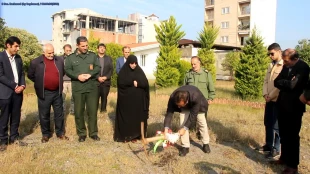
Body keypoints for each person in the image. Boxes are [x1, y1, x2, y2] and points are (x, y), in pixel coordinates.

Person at [273, 48, 309, 174]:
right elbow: (276, 82)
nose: (284, 62)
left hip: (295, 107)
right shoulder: (286, 66)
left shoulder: (303, 67)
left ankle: (293, 166)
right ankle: (284, 158)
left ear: (294, 58)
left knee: (292, 137)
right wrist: (287, 82)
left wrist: (287, 83)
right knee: (283, 134)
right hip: (282, 105)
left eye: (286, 60)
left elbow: (294, 86)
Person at [27, 43, 69, 143]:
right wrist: (40, 82)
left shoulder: (59, 60)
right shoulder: (36, 62)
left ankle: (60, 133)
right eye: (49, 53)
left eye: (53, 52)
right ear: (43, 52)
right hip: (44, 93)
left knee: (59, 114)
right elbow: (30, 75)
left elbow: (62, 72)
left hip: (57, 92)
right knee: (44, 115)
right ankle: (45, 134)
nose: (51, 55)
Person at [64, 36, 101, 142]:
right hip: (78, 88)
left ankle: (93, 133)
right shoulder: (70, 58)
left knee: (92, 111)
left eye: (86, 45)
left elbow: (98, 67)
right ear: (77, 46)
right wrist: (77, 76)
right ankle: (82, 133)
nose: (85, 47)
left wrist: (90, 74)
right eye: (83, 46)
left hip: (91, 88)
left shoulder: (93, 56)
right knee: (79, 112)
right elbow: (67, 70)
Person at [164, 85, 210, 157]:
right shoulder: (173, 97)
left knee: (202, 122)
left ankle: (206, 143)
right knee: (182, 122)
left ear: (186, 101)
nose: (178, 107)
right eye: (177, 105)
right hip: (186, 106)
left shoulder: (195, 96)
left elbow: (193, 116)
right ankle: (185, 146)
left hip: (199, 106)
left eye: (180, 105)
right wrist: (166, 128)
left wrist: (185, 128)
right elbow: (169, 113)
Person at [114, 55, 150, 143]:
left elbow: (145, 83)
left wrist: (138, 83)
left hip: (137, 102)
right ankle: (126, 136)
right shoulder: (123, 71)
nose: (134, 65)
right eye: (132, 63)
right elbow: (121, 83)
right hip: (126, 102)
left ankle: (135, 136)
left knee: (136, 118)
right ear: (128, 63)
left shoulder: (139, 71)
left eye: (135, 63)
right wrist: (131, 82)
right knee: (126, 118)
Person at [0, 36, 27, 151]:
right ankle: (3, 141)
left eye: (18, 46)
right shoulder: (1, 57)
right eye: (16, 46)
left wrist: (22, 85)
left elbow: (21, 73)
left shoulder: (18, 58)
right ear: (8, 45)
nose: (18, 49)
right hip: (5, 93)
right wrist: (15, 86)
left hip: (18, 93)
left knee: (16, 117)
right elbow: (0, 76)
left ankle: (14, 138)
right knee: (4, 118)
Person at [257, 43, 283, 159]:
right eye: (269, 54)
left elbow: (280, 86)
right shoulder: (270, 65)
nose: (270, 56)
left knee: (276, 125)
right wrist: (265, 94)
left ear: (279, 51)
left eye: (272, 53)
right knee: (267, 122)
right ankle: (268, 145)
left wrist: (271, 96)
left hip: (277, 100)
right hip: (268, 99)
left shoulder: (284, 65)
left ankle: (276, 149)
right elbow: (266, 81)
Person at [184, 56, 215, 147]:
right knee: (189, 119)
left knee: (202, 122)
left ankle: (204, 141)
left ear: (199, 63)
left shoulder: (206, 74)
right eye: (192, 64)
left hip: (202, 103)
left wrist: (210, 98)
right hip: (190, 102)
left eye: (195, 64)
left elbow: (211, 88)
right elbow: (184, 88)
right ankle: (189, 137)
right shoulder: (188, 74)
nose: (193, 66)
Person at [97, 43, 113, 113]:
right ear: (97, 49)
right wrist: (97, 77)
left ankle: (103, 110)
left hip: (106, 81)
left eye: (103, 48)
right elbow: (91, 69)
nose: (102, 49)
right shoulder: (94, 58)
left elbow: (111, 69)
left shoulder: (109, 58)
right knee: (95, 97)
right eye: (100, 47)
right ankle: (94, 110)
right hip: (96, 82)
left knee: (104, 96)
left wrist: (106, 77)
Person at [61, 44, 74, 115]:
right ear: (64, 50)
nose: (68, 52)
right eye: (67, 50)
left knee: (73, 97)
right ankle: (63, 110)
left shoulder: (74, 58)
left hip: (72, 81)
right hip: (63, 81)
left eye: (69, 50)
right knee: (62, 97)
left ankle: (73, 111)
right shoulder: (60, 59)